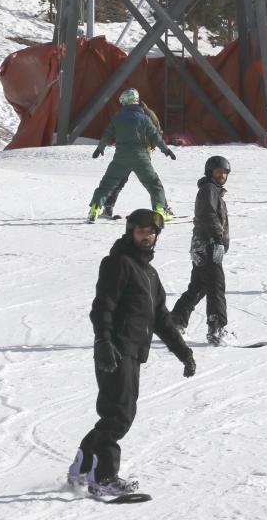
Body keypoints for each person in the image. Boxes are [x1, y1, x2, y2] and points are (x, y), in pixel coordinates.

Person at [67, 209, 196, 496]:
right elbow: (103, 306)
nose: (147, 236)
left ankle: (83, 467)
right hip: (115, 350)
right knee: (119, 416)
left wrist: (183, 352)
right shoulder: (118, 263)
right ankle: (103, 477)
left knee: (116, 413)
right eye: (141, 231)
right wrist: (103, 341)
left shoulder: (149, 273)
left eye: (151, 232)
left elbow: (161, 318)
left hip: (133, 351)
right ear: (130, 232)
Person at [87, 89, 176, 223]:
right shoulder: (144, 118)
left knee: (107, 184)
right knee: (153, 184)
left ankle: (94, 209)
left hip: (120, 158)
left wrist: (100, 148)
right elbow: (155, 136)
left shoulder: (117, 118)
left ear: (124, 102)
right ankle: (159, 211)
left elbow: (107, 134)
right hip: (141, 158)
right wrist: (166, 150)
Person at [171, 156, 232, 345]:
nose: (222, 175)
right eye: (218, 171)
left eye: (225, 173)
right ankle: (217, 329)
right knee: (216, 286)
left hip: (201, 245)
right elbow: (208, 215)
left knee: (198, 287)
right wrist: (217, 240)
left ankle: (174, 324)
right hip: (208, 245)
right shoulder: (209, 190)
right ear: (210, 172)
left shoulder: (211, 190)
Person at [101, 100, 167, 219]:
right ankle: (108, 207)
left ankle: (163, 208)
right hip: (135, 153)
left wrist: (149, 147)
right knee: (151, 183)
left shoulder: (146, 114)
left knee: (149, 182)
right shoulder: (133, 113)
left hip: (140, 152)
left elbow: (157, 132)